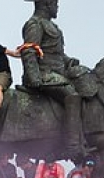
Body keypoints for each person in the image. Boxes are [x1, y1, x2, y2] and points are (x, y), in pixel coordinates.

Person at [20, 0, 92, 159]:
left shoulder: (53, 27)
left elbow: (56, 54)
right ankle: (72, 145)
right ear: (46, 4)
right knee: (72, 96)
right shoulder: (35, 24)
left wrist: (69, 61)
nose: (57, 7)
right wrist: (34, 76)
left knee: (87, 85)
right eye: (55, 4)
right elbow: (28, 51)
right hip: (44, 74)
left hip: (59, 72)